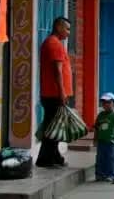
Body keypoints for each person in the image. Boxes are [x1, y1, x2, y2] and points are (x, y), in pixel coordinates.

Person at [36, 17, 73, 168]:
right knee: (53, 128)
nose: (68, 33)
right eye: (67, 29)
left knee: (54, 127)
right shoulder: (54, 44)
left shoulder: (52, 43)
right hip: (54, 94)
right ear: (58, 27)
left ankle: (54, 157)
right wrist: (62, 93)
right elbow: (57, 71)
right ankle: (46, 159)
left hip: (52, 93)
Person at [94, 93, 114, 182]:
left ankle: (111, 175)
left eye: (108, 102)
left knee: (111, 159)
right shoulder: (100, 115)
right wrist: (95, 140)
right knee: (100, 158)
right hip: (101, 141)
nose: (106, 104)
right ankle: (99, 174)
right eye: (103, 102)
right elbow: (96, 128)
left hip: (111, 142)